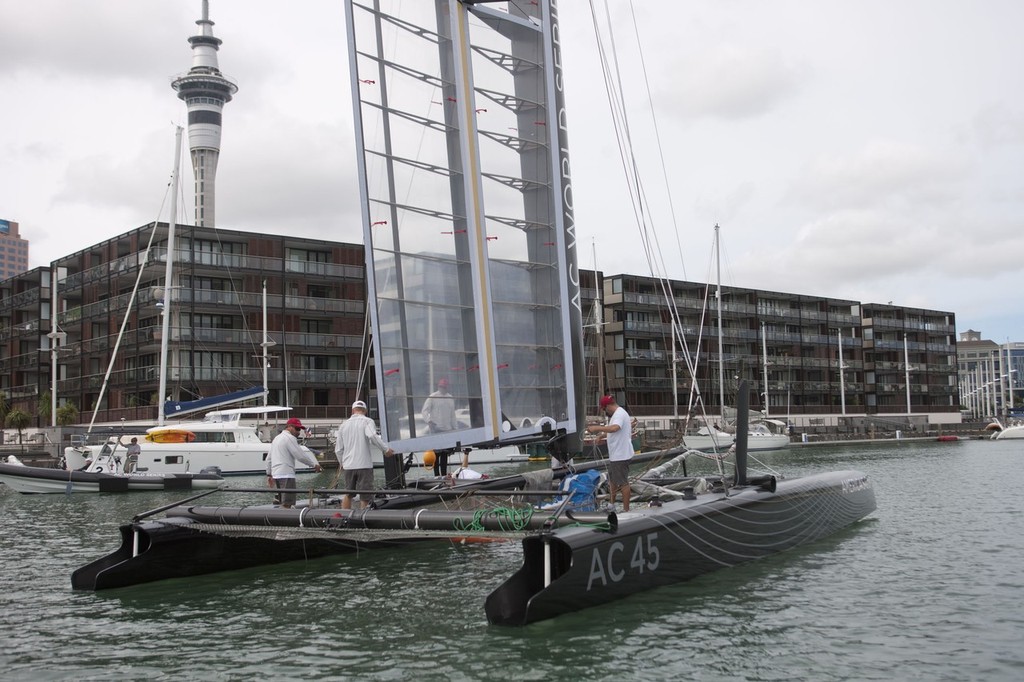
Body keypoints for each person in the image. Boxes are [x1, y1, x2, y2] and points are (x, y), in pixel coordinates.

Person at [335, 400, 393, 510]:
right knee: (365, 496)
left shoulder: (343, 425)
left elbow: (338, 449)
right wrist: (385, 450)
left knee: (348, 494)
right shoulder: (367, 421)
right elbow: (372, 436)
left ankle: (345, 517)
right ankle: (363, 519)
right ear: (365, 411)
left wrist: (342, 463)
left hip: (348, 466)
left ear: (352, 410)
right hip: (364, 465)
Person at [585, 395, 633, 511]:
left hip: (620, 455)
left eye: (605, 409)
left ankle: (626, 510)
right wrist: (601, 436)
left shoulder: (619, 414)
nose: (605, 412)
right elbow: (613, 431)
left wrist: (597, 428)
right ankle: (611, 505)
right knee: (612, 481)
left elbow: (615, 428)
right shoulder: (617, 414)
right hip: (616, 455)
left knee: (623, 483)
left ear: (608, 406)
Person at [266, 417, 322, 508]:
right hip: (287, 475)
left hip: (276, 475)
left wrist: (269, 474)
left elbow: (269, 458)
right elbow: (300, 455)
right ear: (289, 427)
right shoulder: (290, 438)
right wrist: (314, 465)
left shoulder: (276, 438)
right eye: (297, 429)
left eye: (299, 429)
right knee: (287, 503)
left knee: (282, 502)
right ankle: (285, 521)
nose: (299, 432)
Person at [422, 378, 458, 475]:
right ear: (438, 387)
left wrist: (455, 429)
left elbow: (452, 415)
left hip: (447, 430)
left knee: (444, 454)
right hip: (435, 429)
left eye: (444, 387)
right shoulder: (433, 397)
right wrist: (429, 421)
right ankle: (436, 475)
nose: (442, 388)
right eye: (441, 386)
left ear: (447, 388)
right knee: (435, 455)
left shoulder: (450, 398)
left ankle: (444, 474)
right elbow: (424, 411)